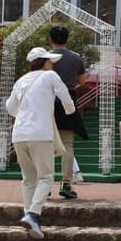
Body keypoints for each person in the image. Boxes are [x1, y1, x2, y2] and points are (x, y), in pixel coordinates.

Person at [6, 47, 75, 240]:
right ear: (44, 61)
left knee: (29, 179)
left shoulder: (21, 81)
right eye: (50, 60)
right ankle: (33, 214)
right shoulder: (50, 76)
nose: (52, 63)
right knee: (46, 177)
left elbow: (11, 108)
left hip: (19, 134)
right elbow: (66, 97)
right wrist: (70, 110)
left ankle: (31, 221)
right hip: (40, 134)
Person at [49, 25, 88, 199]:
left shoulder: (46, 58)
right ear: (67, 39)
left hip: (48, 102)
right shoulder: (76, 58)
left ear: (50, 40)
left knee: (46, 145)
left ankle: (45, 184)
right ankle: (66, 183)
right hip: (68, 102)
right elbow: (83, 81)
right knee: (67, 144)